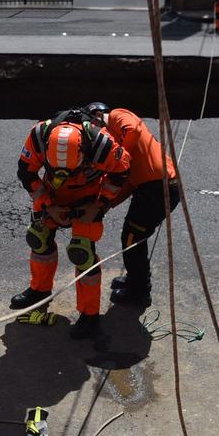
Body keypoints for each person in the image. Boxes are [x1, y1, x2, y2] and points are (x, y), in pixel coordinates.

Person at [11, 108, 131, 339]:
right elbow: (26, 173)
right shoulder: (39, 135)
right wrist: (47, 205)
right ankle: (39, 292)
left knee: (82, 253)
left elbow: (122, 172)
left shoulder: (101, 144)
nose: (63, 172)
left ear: (84, 151)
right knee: (38, 239)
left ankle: (89, 315)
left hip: (88, 199)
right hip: (51, 195)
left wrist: (100, 205)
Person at [84, 103, 179, 307]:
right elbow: (126, 184)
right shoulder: (121, 146)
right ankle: (135, 280)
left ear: (99, 115)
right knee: (132, 237)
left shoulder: (118, 116)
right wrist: (106, 205)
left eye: (94, 125)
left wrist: (119, 159)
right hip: (148, 190)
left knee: (133, 238)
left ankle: (140, 291)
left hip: (158, 189)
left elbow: (134, 130)